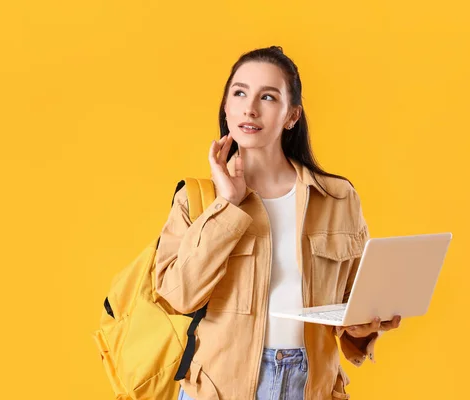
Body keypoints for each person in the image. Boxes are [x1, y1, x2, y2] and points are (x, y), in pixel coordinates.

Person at [154, 46, 401, 400]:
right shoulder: (198, 200)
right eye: (239, 93)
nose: (250, 108)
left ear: (291, 115)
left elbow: (351, 305)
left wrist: (364, 327)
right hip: (219, 388)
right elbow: (180, 296)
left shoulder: (338, 198)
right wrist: (228, 204)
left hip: (310, 387)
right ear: (226, 107)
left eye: (267, 97)